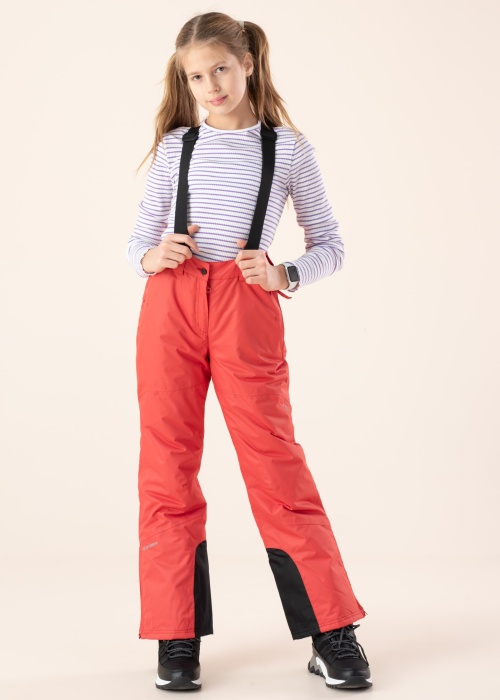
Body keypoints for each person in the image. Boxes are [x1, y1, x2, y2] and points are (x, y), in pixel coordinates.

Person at [125, 11, 372, 693]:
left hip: (247, 307)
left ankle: (332, 632)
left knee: (276, 468)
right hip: (171, 307)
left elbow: (331, 245)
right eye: (195, 77)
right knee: (166, 471)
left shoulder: (286, 149)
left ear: (248, 64)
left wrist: (284, 271)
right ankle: (176, 637)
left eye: (220, 70)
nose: (210, 86)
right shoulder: (176, 147)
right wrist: (151, 256)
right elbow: (137, 240)